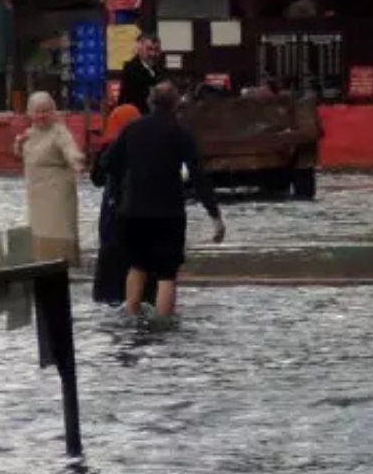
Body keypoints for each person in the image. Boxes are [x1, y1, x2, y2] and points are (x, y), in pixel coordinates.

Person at [100, 82, 226, 318]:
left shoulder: (132, 129)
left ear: (150, 102)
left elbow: (107, 163)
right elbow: (198, 177)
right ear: (176, 104)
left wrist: (122, 188)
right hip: (169, 213)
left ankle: (131, 314)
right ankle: (163, 323)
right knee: (167, 274)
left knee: (137, 266)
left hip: (133, 211)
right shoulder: (181, 134)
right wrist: (215, 216)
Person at [14, 91, 85, 265]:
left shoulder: (59, 132)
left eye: (46, 111)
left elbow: (70, 149)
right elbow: (20, 153)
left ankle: (63, 267)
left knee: (58, 231)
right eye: (37, 111)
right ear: (30, 113)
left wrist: (76, 161)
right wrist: (18, 144)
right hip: (37, 192)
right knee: (38, 232)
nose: (41, 115)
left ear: (53, 111)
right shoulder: (29, 134)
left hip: (57, 193)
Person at [90, 102, 142, 304]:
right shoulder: (143, 144)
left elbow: (97, 178)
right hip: (139, 208)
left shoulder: (109, 146)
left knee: (111, 251)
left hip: (113, 205)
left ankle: (110, 295)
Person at [119, 33, 163, 115]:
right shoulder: (132, 70)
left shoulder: (158, 69)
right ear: (140, 50)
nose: (153, 54)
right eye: (149, 49)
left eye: (156, 50)